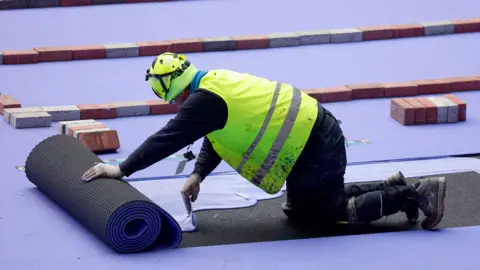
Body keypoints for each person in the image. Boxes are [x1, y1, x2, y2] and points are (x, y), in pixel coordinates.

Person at [81, 52, 446, 230]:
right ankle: (390, 185)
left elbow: (167, 139)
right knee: (298, 212)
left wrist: (121, 168)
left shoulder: (204, 100)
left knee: (326, 217)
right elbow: (219, 134)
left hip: (316, 144)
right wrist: (199, 175)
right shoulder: (212, 84)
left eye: (172, 99)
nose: (176, 105)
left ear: (173, 91)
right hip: (312, 138)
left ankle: (414, 195)